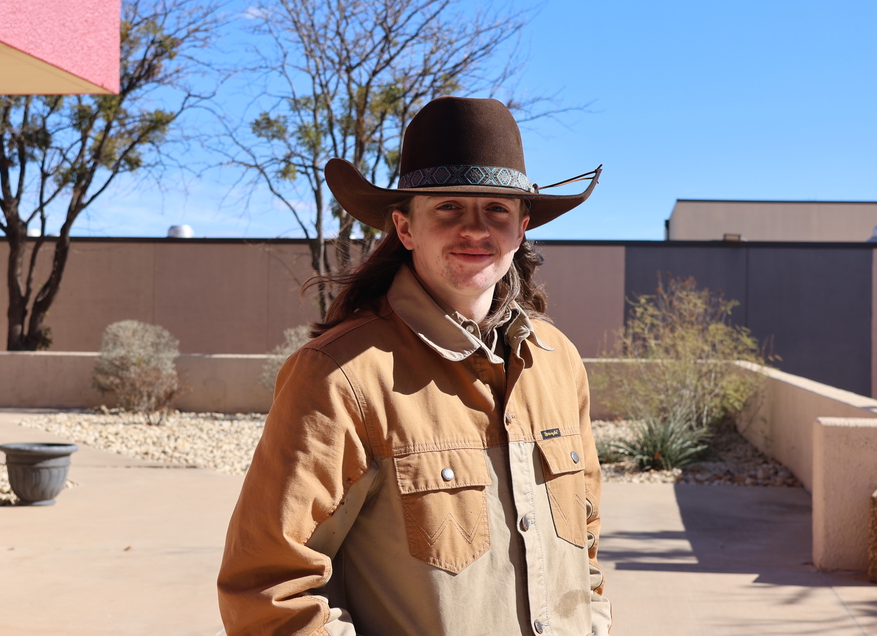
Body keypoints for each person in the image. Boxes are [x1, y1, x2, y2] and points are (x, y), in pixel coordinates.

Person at [217, 96, 612, 635]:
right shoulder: (341, 376)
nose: (476, 229)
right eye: (448, 207)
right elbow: (269, 589)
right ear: (405, 229)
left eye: (497, 209)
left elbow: (584, 549)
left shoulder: (557, 361)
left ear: (521, 229)